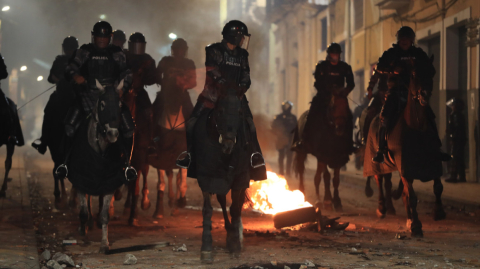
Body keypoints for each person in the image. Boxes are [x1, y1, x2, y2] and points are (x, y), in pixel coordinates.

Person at [176, 20, 265, 172]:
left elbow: (245, 73)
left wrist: (243, 86)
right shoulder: (213, 49)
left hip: (236, 97)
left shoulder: (243, 54)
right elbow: (212, 70)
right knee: (192, 122)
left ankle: (255, 155)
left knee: (250, 123)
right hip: (212, 95)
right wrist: (225, 83)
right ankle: (189, 155)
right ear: (234, 36)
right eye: (242, 36)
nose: (243, 40)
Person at [59, 21, 134, 178]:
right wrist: (75, 75)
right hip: (87, 96)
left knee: (128, 128)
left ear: (110, 38)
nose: (101, 39)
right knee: (69, 126)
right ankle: (65, 164)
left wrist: (122, 89)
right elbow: (69, 68)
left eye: (105, 37)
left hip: (111, 98)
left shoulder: (117, 53)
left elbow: (127, 73)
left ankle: (127, 165)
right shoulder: (84, 52)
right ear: (94, 36)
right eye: (99, 36)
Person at [370, 26, 450, 163]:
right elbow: (379, 67)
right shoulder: (391, 53)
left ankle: (437, 148)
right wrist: (392, 70)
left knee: (429, 116)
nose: (405, 41)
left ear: (412, 40)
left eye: (407, 39)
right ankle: (381, 150)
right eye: (402, 39)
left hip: (414, 92)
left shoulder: (418, 53)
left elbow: (430, 70)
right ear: (398, 40)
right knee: (385, 116)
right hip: (395, 91)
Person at [293, 42, 354, 150]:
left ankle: (350, 142)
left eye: (337, 54)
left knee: (349, 115)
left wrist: (345, 91)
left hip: (340, 96)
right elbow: (317, 82)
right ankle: (304, 138)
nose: (335, 56)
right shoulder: (322, 67)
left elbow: (351, 83)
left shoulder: (345, 67)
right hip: (324, 96)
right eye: (333, 54)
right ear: (329, 55)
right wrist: (328, 90)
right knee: (312, 111)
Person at [32, 36, 78, 154]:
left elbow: (51, 78)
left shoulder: (74, 61)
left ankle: (44, 141)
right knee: (48, 111)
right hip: (68, 95)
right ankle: (44, 140)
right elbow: (50, 78)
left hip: (72, 95)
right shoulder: (63, 60)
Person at [272, 101, 297, 176]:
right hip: (281, 139)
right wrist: (278, 134)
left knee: (289, 156)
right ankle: (281, 171)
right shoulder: (278, 117)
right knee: (281, 156)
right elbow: (274, 127)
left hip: (290, 139)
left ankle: (288, 172)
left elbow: (296, 128)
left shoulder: (293, 117)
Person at [445, 98, 466, 183]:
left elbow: (456, 128)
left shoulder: (455, 115)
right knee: (459, 157)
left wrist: (453, 138)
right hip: (460, 139)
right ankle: (461, 176)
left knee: (454, 157)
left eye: (453, 105)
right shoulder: (458, 115)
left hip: (457, 139)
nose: (452, 107)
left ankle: (453, 176)